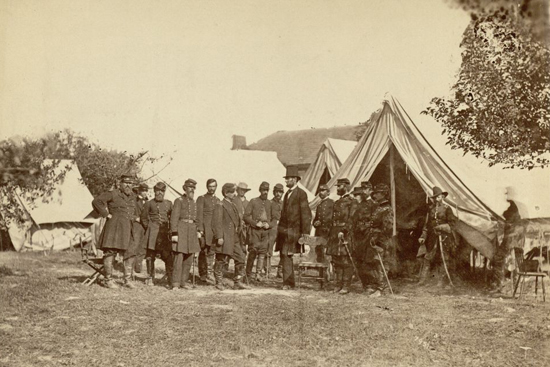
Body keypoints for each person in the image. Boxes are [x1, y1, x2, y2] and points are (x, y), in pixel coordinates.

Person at [92, 175, 137, 289]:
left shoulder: (133, 196)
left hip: (127, 227)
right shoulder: (113, 193)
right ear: (120, 183)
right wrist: (106, 214)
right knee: (110, 252)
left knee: (130, 252)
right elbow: (97, 201)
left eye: (130, 183)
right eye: (126, 183)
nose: (128, 185)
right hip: (114, 227)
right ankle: (108, 280)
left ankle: (127, 280)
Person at [276, 167, 312, 290]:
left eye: (289, 179)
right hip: (285, 231)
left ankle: (288, 283)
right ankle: (289, 282)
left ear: (295, 179)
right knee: (285, 255)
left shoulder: (301, 193)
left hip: (294, 232)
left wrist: (305, 233)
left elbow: (306, 214)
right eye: (286, 179)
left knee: (286, 255)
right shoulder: (287, 194)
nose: (286, 181)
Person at [212, 183, 250, 290]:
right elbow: (217, 223)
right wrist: (219, 236)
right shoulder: (220, 205)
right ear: (226, 193)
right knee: (221, 260)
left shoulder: (233, 205)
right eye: (232, 192)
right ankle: (218, 282)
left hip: (235, 238)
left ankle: (237, 282)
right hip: (225, 237)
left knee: (241, 258)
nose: (234, 194)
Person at [417, 186, 457, 288]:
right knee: (428, 257)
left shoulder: (447, 209)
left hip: (444, 237)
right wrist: (423, 236)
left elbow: (452, 224)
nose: (436, 199)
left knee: (444, 258)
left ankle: (442, 281)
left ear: (442, 197)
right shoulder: (430, 209)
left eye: (438, 197)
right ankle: (422, 280)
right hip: (432, 237)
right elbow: (426, 225)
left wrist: (442, 227)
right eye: (435, 198)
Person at [170, 179, 201, 290]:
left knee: (189, 257)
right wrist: (174, 233)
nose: (192, 189)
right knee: (179, 257)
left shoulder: (194, 202)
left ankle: (183, 282)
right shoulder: (179, 201)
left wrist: (198, 231)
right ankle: (176, 283)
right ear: (185, 188)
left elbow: (197, 218)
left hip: (192, 231)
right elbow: (174, 218)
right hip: (181, 229)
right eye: (189, 187)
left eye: (193, 187)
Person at [244, 182, 277, 282]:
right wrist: (254, 223)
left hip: (266, 232)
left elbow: (275, 219)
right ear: (260, 190)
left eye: (267, 190)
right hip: (255, 231)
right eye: (263, 190)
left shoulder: (271, 204)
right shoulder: (253, 201)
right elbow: (245, 216)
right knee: (253, 252)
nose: (265, 192)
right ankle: (248, 274)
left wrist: (269, 225)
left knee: (262, 253)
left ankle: (258, 274)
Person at [141, 182, 173, 286]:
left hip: (164, 234)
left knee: (168, 256)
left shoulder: (169, 203)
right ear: (154, 191)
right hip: (153, 233)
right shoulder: (149, 203)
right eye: (158, 190)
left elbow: (172, 217)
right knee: (150, 256)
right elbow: (144, 218)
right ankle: (150, 277)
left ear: (164, 192)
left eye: (162, 191)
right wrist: (150, 228)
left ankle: (170, 277)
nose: (160, 193)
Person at [326, 178, 354, 294]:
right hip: (334, 232)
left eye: (340, 186)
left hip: (344, 234)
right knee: (336, 259)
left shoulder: (352, 202)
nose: (337, 188)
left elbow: (351, 219)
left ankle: (346, 286)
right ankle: (338, 284)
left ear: (347, 187)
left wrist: (344, 230)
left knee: (345, 259)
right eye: (337, 186)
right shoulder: (337, 202)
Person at [365, 184, 394, 297]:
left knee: (382, 264)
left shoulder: (387, 209)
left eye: (377, 193)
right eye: (375, 193)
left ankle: (381, 289)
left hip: (383, 240)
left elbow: (387, 228)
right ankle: (379, 287)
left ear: (383, 194)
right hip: (375, 238)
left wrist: (378, 241)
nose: (375, 195)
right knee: (376, 264)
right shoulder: (378, 207)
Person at [351, 182, 379, 293]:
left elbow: (375, 221)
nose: (363, 191)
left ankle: (372, 285)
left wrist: (366, 228)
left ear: (370, 190)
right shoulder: (360, 204)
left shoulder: (374, 204)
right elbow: (354, 219)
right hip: (358, 237)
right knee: (359, 260)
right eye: (362, 189)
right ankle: (365, 284)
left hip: (368, 235)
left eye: (366, 189)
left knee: (368, 261)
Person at [196, 178, 220, 285]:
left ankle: (209, 273)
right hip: (205, 229)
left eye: (213, 186)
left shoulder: (218, 200)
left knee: (212, 252)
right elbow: (199, 215)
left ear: (216, 187)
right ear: (207, 187)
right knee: (203, 252)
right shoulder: (202, 199)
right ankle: (203, 274)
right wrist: (200, 229)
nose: (212, 188)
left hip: (214, 230)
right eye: (210, 186)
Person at [312, 184, 334, 280]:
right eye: (320, 191)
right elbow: (316, 219)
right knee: (319, 252)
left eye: (323, 191)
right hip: (319, 232)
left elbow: (333, 218)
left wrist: (328, 227)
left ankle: (328, 273)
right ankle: (321, 274)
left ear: (328, 192)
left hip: (327, 232)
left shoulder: (332, 203)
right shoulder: (319, 204)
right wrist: (315, 223)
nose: (320, 192)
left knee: (326, 253)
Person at [267, 183, 284, 278]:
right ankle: (267, 270)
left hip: (282, 229)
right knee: (269, 249)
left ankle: (280, 270)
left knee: (283, 250)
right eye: (277, 192)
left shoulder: (283, 203)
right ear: (274, 192)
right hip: (272, 228)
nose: (278, 194)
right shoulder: (270, 203)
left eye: (280, 192)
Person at [132, 183, 149, 274]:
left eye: (146, 191)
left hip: (144, 226)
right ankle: (131, 266)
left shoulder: (147, 202)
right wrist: (135, 218)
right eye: (143, 191)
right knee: (135, 245)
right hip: (137, 225)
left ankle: (138, 266)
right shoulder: (134, 200)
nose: (145, 193)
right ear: (139, 191)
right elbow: (130, 212)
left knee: (143, 246)